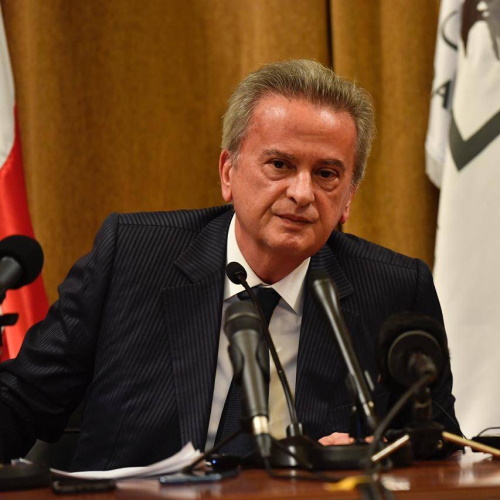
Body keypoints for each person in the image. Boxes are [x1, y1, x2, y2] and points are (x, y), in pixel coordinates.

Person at [0, 59, 460, 471]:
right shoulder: (132, 256)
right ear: (228, 172)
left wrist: (378, 451)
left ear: (348, 199)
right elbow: (22, 401)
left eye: (326, 174)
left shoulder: (394, 288)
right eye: (279, 165)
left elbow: (439, 445)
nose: (302, 193)